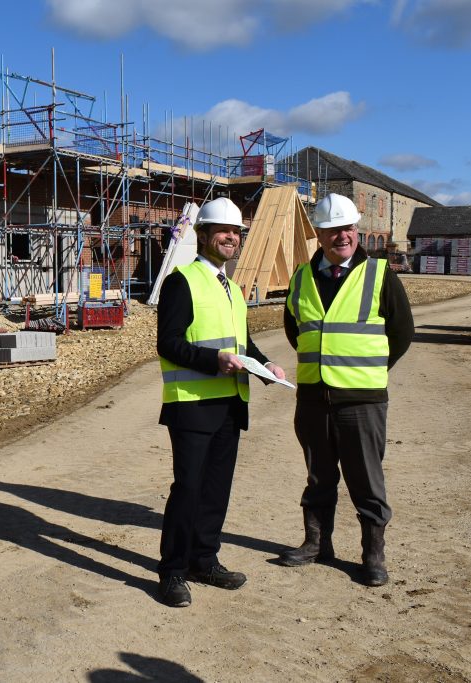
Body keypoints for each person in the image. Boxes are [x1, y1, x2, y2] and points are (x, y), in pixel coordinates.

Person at [156, 196, 286, 608]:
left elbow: (240, 342)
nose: (232, 238)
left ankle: (204, 560)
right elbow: (169, 344)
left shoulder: (231, 288)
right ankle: (173, 571)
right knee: (189, 490)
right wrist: (215, 361)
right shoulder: (182, 281)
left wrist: (265, 366)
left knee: (216, 491)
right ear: (204, 235)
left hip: (230, 403)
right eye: (224, 231)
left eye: (237, 233)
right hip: (193, 405)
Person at [280, 193, 414, 587]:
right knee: (318, 475)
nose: (344, 236)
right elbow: (296, 329)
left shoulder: (379, 274)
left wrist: (366, 370)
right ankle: (316, 544)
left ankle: (373, 555)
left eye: (350, 228)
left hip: (362, 400)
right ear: (319, 234)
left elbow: (402, 333)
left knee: (366, 479)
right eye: (335, 229)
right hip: (313, 399)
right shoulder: (302, 277)